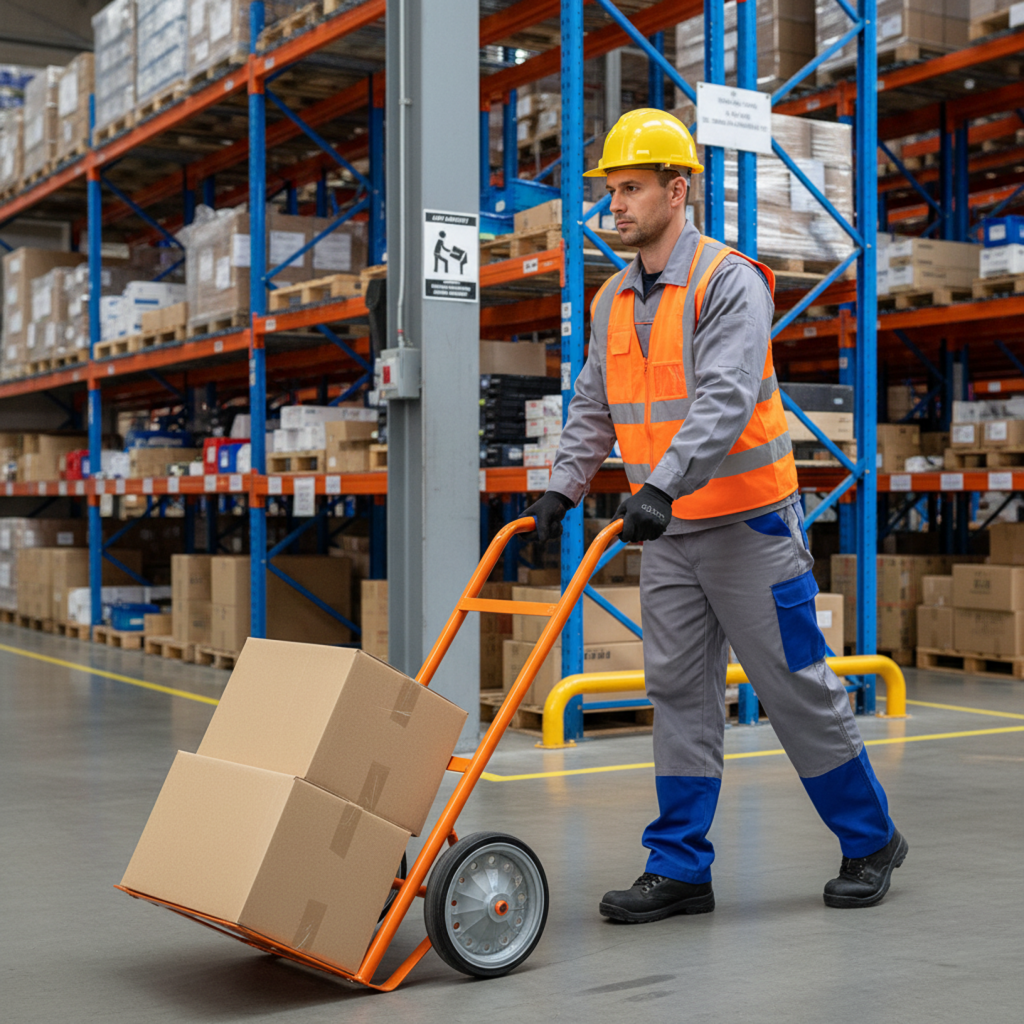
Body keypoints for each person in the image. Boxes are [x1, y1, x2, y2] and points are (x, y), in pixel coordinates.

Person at [523, 109, 906, 923]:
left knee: (796, 687)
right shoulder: (612, 298)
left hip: (749, 526)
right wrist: (563, 484)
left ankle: (871, 840)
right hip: (669, 537)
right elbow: (593, 402)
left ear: (677, 188)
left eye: (629, 189)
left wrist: (660, 484)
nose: (615, 205)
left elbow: (727, 396)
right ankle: (679, 867)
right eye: (610, 190)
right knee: (679, 696)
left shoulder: (730, 280)